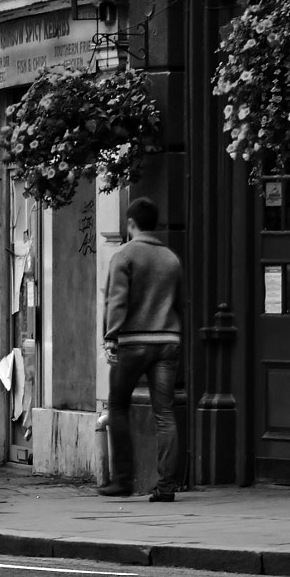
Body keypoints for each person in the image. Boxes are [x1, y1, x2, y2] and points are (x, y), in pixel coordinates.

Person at [98, 197, 184, 502]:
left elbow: (117, 300)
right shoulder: (171, 258)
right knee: (165, 413)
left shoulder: (124, 255)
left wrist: (111, 338)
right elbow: (179, 302)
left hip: (134, 342)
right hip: (167, 341)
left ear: (130, 223)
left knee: (118, 406)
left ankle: (122, 480)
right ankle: (166, 485)